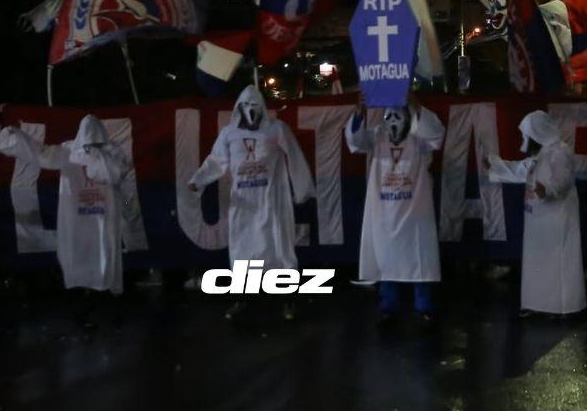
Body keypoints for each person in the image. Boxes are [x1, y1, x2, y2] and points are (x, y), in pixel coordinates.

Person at [187, 84, 315, 320]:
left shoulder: (276, 130)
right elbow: (216, 161)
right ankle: (242, 299)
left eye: (255, 105)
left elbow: (295, 156)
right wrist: (199, 181)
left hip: (272, 202)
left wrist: (302, 191)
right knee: (243, 252)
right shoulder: (229, 134)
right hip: (243, 204)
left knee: (279, 251)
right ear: (238, 108)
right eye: (245, 105)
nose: (250, 110)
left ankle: (288, 301)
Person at [0, 113, 137, 296]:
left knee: (104, 259)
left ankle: (103, 301)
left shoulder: (112, 153)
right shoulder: (68, 151)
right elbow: (41, 154)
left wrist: (96, 157)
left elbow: (120, 181)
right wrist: (15, 137)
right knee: (81, 259)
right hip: (79, 220)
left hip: (104, 219)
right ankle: (87, 301)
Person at [345, 99, 444, 321]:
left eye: (398, 117)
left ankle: (423, 305)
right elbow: (356, 141)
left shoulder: (418, 139)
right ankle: (389, 305)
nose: (393, 123)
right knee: (387, 259)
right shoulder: (378, 136)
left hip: (414, 211)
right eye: (389, 117)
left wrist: (417, 106)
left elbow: (436, 135)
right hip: (385, 212)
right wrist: (359, 113)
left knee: (418, 259)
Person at [484, 110, 586, 317]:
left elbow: (563, 180)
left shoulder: (560, 152)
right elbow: (519, 170)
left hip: (557, 217)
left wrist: (547, 190)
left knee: (557, 262)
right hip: (537, 218)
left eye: (527, 136)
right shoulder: (538, 156)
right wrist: (495, 166)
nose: (524, 141)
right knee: (537, 261)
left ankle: (561, 307)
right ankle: (537, 304)